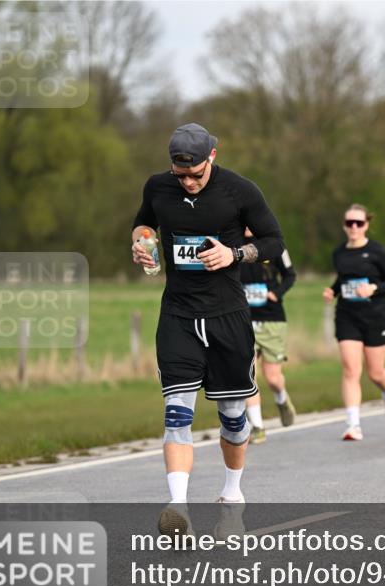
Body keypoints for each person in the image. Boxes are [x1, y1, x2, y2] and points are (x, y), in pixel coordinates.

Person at [130, 123, 286, 536]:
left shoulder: (240, 191)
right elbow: (144, 223)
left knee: (234, 418)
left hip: (227, 318)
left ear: (211, 158)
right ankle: (177, 507)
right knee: (176, 413)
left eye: (196, 174)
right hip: (178, 316)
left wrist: (235, 253)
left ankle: (232, 493)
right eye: (180, 175)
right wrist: (142, 243)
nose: (189, 182)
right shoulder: (158, 188)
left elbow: (274, 242)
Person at [322, 204, 385, 441]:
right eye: (349, 223)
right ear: (344, 226)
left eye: (358, 223)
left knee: (376, 373)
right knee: (350, 369)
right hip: (347, 315)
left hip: (376, 314)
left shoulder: (377, 251)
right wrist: (333, 291)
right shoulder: (339, 253)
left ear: (366, 224)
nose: (354, 227)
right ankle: (353, 425)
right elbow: (343, 280)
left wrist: (373, 288)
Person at [241, 227, 298, 442]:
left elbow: (290, 275)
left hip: (272, 319)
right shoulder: (231, 242)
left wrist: (277, 293)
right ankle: (257, 426)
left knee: (272, 377)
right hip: (244, 320)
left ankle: (282, 399)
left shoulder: (272, 245)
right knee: (247, 376)